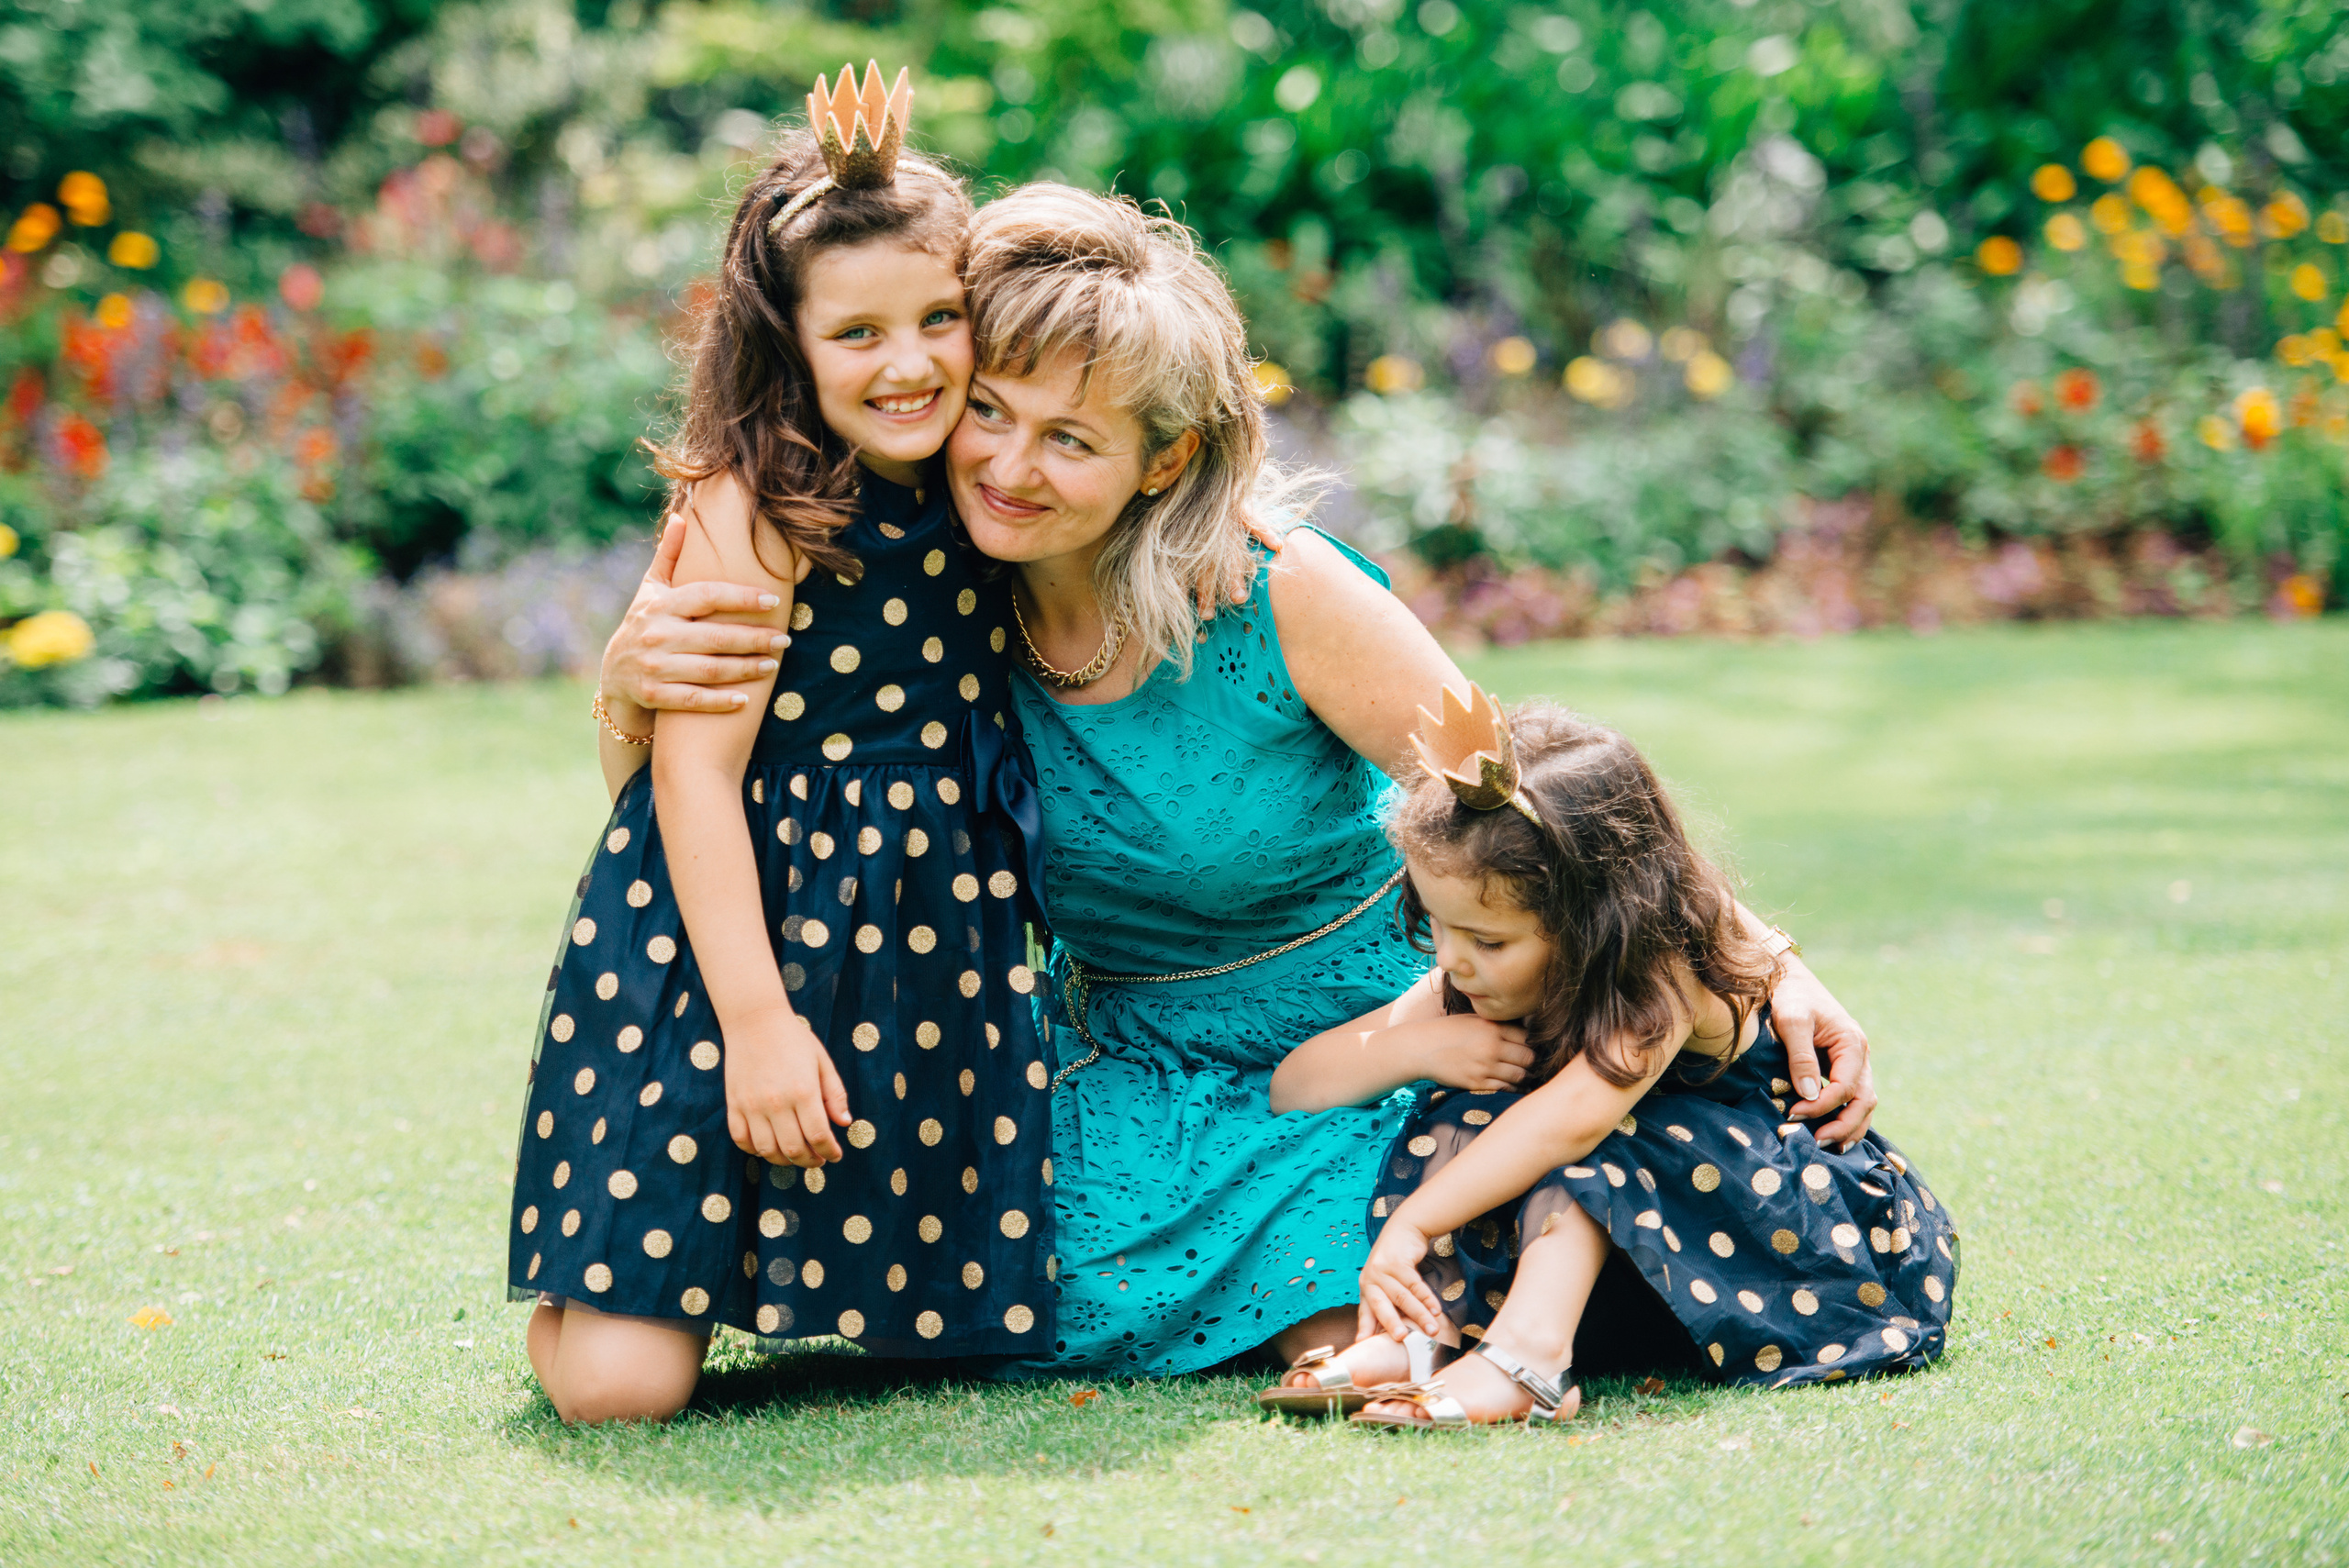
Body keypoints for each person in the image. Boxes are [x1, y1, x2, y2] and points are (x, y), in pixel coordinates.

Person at [595, 184, 1884, 1382]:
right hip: (1132, 1053)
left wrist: (1762, 957)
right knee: (1002, 1281)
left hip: (1377, 1029)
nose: (1007, 464)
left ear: (1160, 462)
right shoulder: (934, 582)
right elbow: (688, 790)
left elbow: (1527, 795)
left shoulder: (1280, 592)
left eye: (1071, 440)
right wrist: (625, 674)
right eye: (991, 409)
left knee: (1372, 1277)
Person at [509, 71, 1055, 1425]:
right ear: (791, 344)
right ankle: (594, 1292)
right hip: (721, 938)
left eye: (943, 319)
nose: (913, 362)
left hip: (920, 927)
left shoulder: (989, 477)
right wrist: (757, 1025)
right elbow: (686, 774)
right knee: (622, 1393)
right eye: (858, 331)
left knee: (938, 1337)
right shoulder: (757, 502)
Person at [1263, 691, 1955, 1428]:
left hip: (1786, 1237)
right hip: (1652, 1264)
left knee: (1584, 1142)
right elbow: (1295, 1086)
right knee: (1463, 1110)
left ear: (1594, 915)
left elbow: (1569, 1122)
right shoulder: (1471, 977)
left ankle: (1528, 1361)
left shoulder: (1662, 972)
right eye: (1440, 927)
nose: (1455, 961)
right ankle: (1421, 1339)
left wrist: (1412, 1225)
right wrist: (1415, 1048)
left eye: (1488, 941)